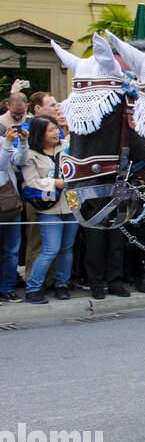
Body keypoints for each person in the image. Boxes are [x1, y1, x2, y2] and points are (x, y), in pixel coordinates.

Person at [20, 115, 78, 303]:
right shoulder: (30, 154)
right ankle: (33, 287)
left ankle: (62, 285)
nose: (56, 132)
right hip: (48, 209)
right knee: (51, 249)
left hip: (71, 205)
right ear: (40, 133)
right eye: (50, 129)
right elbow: (31, 181)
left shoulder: (67, 146)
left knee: (67, 249)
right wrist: (55, 182)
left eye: (55, 128)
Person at [1, 122, 28, 302]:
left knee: (11, 249)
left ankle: (7, 288)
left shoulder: (4, 140)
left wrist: (24, 143)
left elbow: (20, 162)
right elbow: (0, 166)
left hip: (10, 203)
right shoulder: (6, 143)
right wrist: (8, 145)